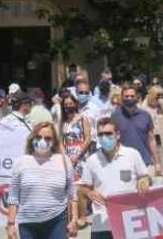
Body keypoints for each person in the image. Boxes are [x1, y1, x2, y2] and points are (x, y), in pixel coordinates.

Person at [79, 118, 152, 239]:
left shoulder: (132, 154)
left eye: (108, 133)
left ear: (117, 135)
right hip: (101, 220)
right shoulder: (91, 160)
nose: (104, 137)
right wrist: (88, 192)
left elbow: (145, 176)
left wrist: (144, 180)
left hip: (130, 217)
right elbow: (82, 189)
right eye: (100, 134)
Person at [6, 122, 78, 239]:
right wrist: (10, 225)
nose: (42, 141)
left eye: (48, 138)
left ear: (54, 141)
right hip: (28, 223)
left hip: (57, 221)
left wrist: (74, 220)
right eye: (39, 137)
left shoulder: (64, 161)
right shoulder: (21, 162)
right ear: (32, 138)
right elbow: (13, 196)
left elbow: (72, 194)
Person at [58, 93, 93, 228]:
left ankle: (81, 217)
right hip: (67, 158)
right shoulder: (63, 122)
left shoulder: (82, 118)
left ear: (75, 104)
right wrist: (65, 157)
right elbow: (60, 140)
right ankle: (71, 218)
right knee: (69, 188)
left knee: (79, 188)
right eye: (65, 105)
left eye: (70, 104)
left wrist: (77, 155)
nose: (68, 106)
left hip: (81, 156)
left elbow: (88, 138)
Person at [111, 86, 162, 177]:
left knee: (146, 189)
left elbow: (151, 140)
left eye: (132, 96)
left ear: (136, 97)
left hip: (144, 162)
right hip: (124, 163)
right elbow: (113, 139)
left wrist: (157, 163)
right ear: (122, 98)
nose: (129, 98)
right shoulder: (115, 116)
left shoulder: (145, 115)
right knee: (126, 188)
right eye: (126, 96)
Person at [139, 85, 163, 183]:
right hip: (150, 142)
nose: (160, 98)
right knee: (154, 168)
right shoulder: (144, 106)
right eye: (158, 95)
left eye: (162, 95)